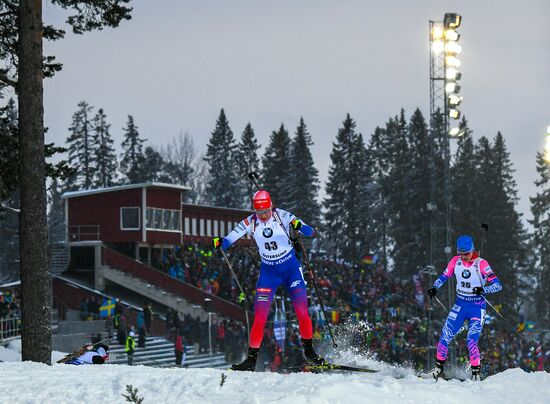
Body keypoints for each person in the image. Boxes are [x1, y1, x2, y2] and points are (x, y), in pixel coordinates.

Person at [213, 189, 324, 371]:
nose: (263, 216)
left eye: (266, 212)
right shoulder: (250, 222)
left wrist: (298, 225)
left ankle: (310, 354)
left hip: (290, 269)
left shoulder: (282, 216)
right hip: (269, 273)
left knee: (302, 311)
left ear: (271, 206)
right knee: (260, 317)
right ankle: (250, 361)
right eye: (259, 213)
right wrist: (220, 242)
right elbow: (229, 239)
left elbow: (311, 231)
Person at [422, 235, 502, 381]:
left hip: (477, 307)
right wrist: (434, 287)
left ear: (472, 251)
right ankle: (438, 371)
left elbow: (498, 285)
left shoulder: (481, 264)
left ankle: (475, 374)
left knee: (471, 339)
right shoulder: (455, 261)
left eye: (466, 254)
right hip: (460, 305)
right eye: (461, 254)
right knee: (445, 335)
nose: (463, 257)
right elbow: (444, 276)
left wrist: (484, 289)